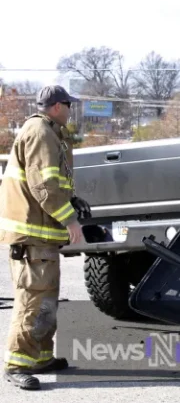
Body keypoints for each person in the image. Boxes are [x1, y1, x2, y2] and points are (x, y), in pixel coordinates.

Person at [1, 85, 91, 390]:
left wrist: (72, 200)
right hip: (31, 238)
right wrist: (70, 220)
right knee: (32, 301)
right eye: (68, 105)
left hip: (40, 239)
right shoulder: (41, 132)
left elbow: (53, 183)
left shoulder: (50, 132)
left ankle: (39, 357)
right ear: (56, 106)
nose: (71, 110)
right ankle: (16, 364)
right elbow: (44, 186)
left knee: (45, 300)